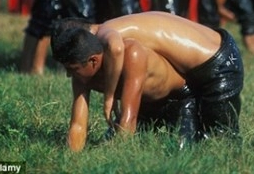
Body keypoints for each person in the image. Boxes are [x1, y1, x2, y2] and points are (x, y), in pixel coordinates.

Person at [51, 11, 244, 151]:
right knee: (115, 142)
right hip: (177, 82)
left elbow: (116, 48)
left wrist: (109, 98)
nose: (69, 75)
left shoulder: (108, 33)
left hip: (218, 62)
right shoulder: (96, 55)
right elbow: (78, 124)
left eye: (71, 68)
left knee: (222, 140)